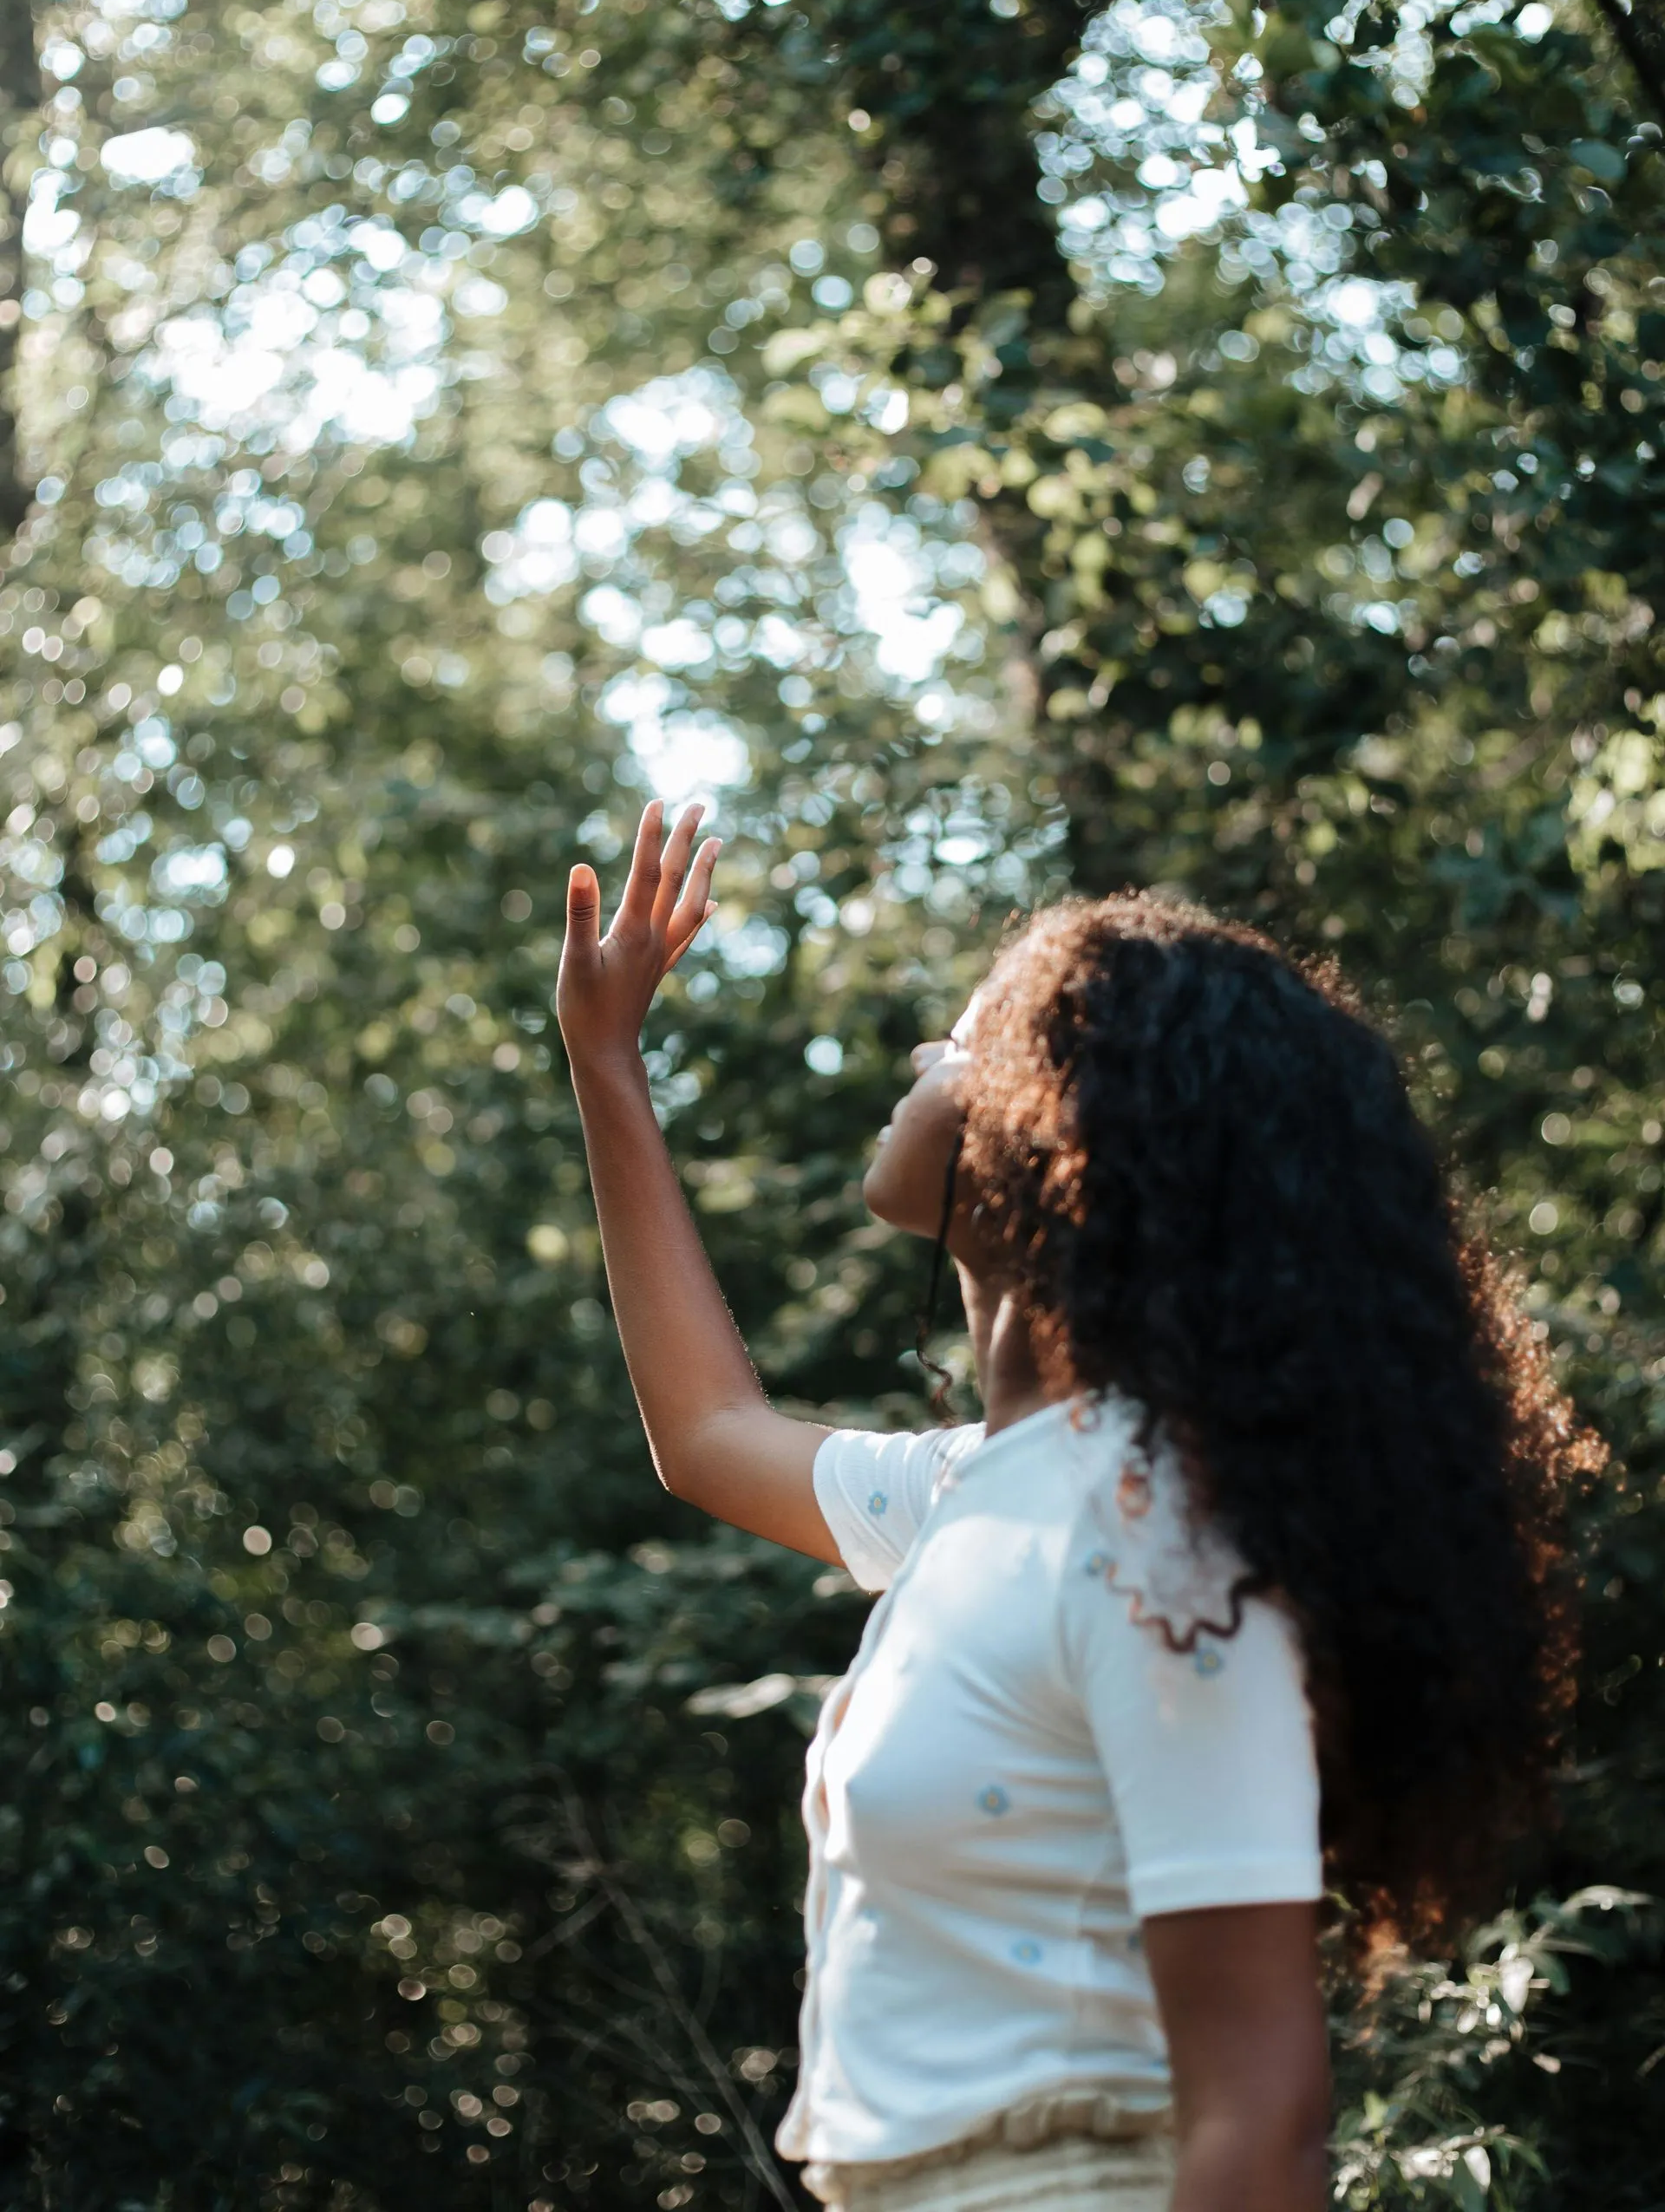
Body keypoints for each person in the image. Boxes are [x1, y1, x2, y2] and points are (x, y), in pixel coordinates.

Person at [556, 800, 1585, 2212]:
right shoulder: (988, 1494)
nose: (925, 1061)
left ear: (1065, 1134)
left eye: (964, 1040)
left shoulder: (1154, 1528)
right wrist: (605, 1064)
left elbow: (1262, 2120)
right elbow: (708, 1434)